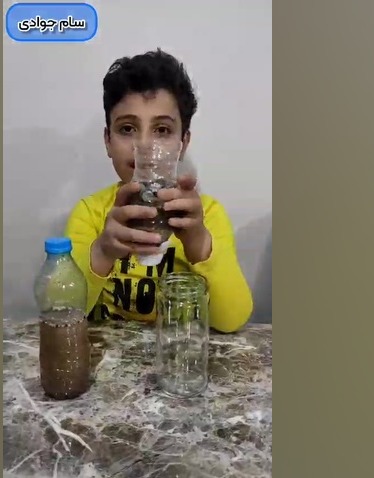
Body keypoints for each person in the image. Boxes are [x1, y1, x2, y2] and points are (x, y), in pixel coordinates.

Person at [64, 48, 253, 333]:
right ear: (107, 141)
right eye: (127, 129)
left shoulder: (207, 215)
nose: (144, 146)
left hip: (178, 350)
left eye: (162, 130)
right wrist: (102, 251)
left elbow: (232, 320)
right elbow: (64, 312)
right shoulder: (90, 214)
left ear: (183, 143)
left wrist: (199, 242)